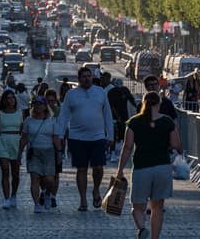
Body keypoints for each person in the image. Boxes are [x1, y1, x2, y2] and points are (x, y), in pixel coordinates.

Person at [116, 91, 183, 239]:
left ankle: (142, 228)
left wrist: (120, 170)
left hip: (141, 168)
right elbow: (175, 144)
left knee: (137, 207)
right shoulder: (167, 121)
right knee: (157, 207)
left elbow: (127, 147)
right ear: (159, 104)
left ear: (143, 104)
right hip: (162, 167)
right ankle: (154, 237)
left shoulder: (134, 122)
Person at [57, 66, 114, 211]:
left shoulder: (100, 92)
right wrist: (60, 135)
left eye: (89, 76)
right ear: (79, 78)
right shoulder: (71, 94)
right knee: (81, 169)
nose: (87, 78)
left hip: (98, 137)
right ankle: (83, 200)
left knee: (98, 168)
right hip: (77, 138)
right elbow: (63, 116)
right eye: (84, 76)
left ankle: (96, 190)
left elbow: (107, 114)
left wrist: (110, 135)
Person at [19, 96, 60, 213]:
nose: (38, 106)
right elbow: (24, 138)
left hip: (49, 152)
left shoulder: (51, 121)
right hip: (34, 152)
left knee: (50, 180)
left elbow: (56, 138)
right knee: (35, 178)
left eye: (40, 104)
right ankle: (36, 204)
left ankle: (47, 194)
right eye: (35, 104)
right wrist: (19, 153)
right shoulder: (28, 121)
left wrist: (60, 153)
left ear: (45, 107)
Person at [0, 90, 22, 209]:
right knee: (5, 171)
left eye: (12, 98)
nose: (10, 100)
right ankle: (6, 198)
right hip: (3, 141)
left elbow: (25, 131)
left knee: (15, 174)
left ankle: (13, 195)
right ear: (4, 100)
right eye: (8, 98)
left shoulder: (20, 113)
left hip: (16, 142)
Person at [107, 78, 137, 162]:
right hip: (114, 117)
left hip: (125, 116)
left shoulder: (125, 90)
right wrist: (117, 117)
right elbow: (111, 106)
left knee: (125, 134)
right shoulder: (111, 92)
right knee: (113, 134)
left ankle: (124, 153)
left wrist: (138, 109)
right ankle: (112, 152)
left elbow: (131, 99)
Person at [44, 89, 62, 208]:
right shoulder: (41, 112)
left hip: (56, 145)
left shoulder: (60, 112)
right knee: (44, 174)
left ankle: (53, 196)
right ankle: (45, 192)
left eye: (53, 100)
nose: (51, 103)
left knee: (55, 173)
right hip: (44, 145)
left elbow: (64, 129)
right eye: (48, 101)